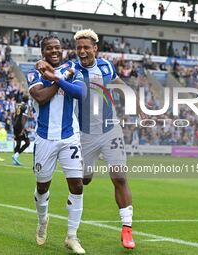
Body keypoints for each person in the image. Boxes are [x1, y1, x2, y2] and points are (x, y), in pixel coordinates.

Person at [36, 29, 135, 250]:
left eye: (86, 47)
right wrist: (39, 64)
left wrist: (135, 104)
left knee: (119, 177)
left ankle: (127, 229)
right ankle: (72, 206)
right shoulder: (71, 68)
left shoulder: (107, 66)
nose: (82, 51)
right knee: (83, 181)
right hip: (83, 134)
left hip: (110, 129)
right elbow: (46, 68)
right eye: (78, 47)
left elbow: (120, 85)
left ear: (95, 48)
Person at [29, 35, 86, 254]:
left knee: (77, 185)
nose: (54, 51)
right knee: (43, 186)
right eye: (50, 48)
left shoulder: (73, 68)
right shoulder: (34, 73)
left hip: (69, 135)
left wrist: (56, 77)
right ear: (43, 51)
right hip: (44, 137)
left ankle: (72, 236)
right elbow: (41, 97)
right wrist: (58, 79)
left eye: (58, 48)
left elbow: (80, 93)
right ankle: (43, 220)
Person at [12, 96, 30, 165]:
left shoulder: (18, 105)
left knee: (18, 143)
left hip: (15, 125)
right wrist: (22, 129)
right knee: (27, 142)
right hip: (20, 126)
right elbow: (24, 117)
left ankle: (14, 160)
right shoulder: (26, 106)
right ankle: (16, 156)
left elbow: (14, 116)